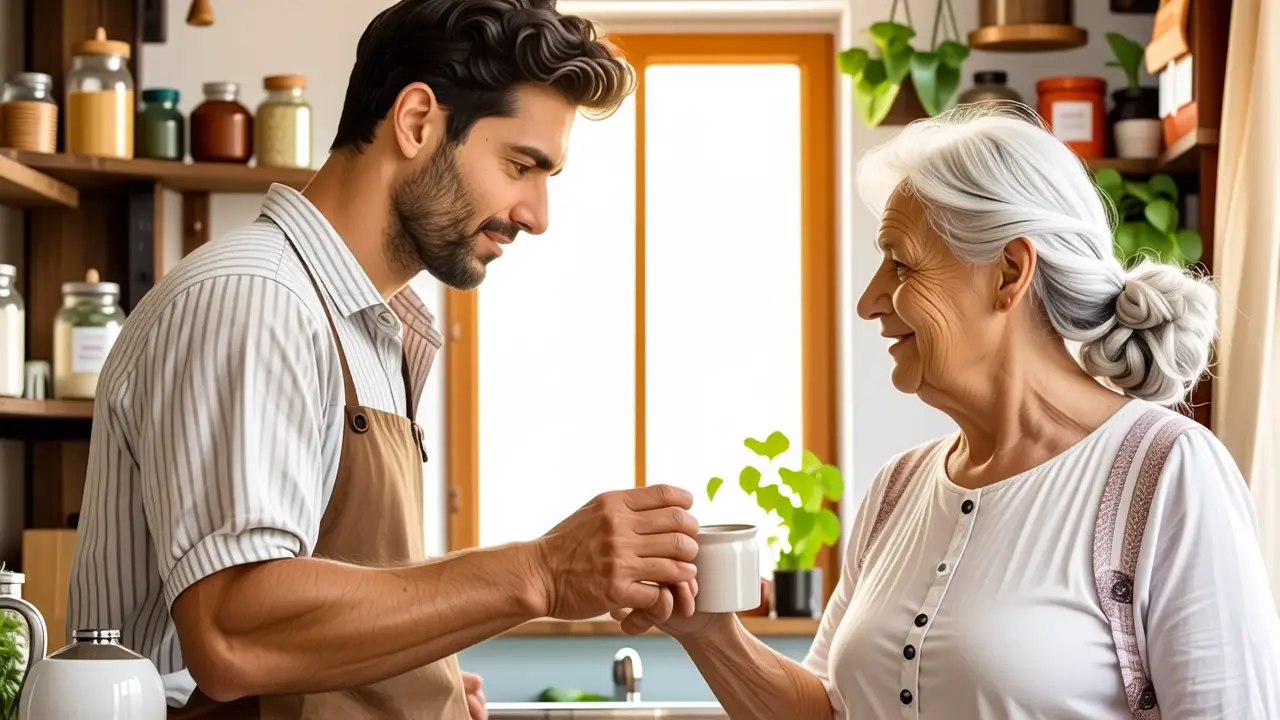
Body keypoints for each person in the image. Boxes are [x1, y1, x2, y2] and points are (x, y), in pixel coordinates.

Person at [67, 2, 699, 719]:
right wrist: (543, 571)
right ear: (417, 121)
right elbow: (233, 632)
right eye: (521, 165)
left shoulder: (373, 326)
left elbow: (329, 599)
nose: (537, 213)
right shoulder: (256, 299)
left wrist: (411, 672)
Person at [614, 103, 1280, 719]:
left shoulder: (1166, 475)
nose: (869, 301)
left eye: (901, 266)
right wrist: (710, 633)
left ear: (1009, 272)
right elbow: (832, 712)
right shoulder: (898, 490)